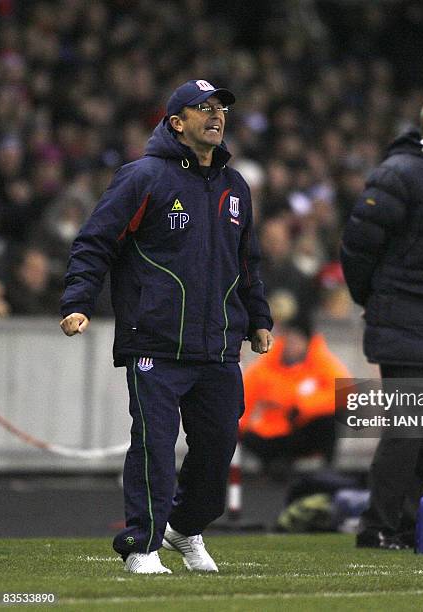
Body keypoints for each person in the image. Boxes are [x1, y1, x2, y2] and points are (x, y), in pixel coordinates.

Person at [60, 79, 273, 574]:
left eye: (220, 108)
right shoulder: (143, 177)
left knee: (219, 447)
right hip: (154, 339)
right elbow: (95, 241)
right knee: (154, 446)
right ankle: (142, 545)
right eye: (204, 108)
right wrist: (78, 300)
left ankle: (185, 527)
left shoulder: (235, 186)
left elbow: (248, 263)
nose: (216, 115)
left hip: (218, 345)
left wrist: (259, 318)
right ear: (177, 122)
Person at [340, 88, 423, 549]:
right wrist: (375, 300)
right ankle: (375, 526)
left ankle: (410, 527)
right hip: (402, 320)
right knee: (405, 429)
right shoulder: (399, 173)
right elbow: (357, 248)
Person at [240, 316, 351, 475]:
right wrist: (241, 428)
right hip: (270, 431)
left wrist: (303, 406)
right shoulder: (266, 366)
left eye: (297, 341)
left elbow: (345, 391)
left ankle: (326, 469)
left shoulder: (321, 363)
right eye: (290, 340)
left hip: (301, 429)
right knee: (248, 436)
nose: (292, 346)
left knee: (332, 418)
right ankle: (274, 465)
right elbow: (246, 397)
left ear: (307, 342)